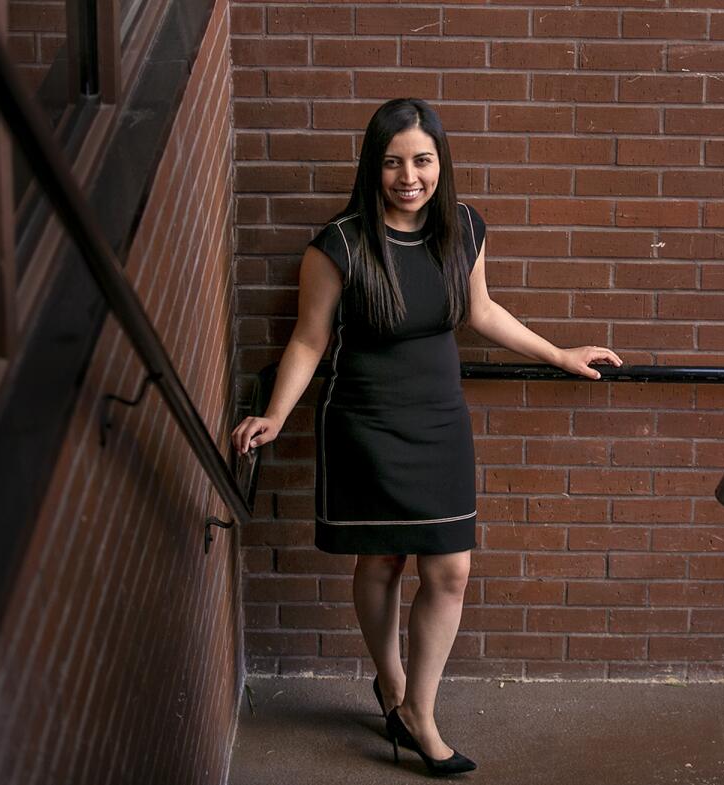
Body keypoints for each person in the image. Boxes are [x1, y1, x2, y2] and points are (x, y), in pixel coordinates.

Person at [231, 98, 622, 776]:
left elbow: (482, 310)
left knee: (451, 569)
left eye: (421, 160)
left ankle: (419, 709)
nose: (408, 176)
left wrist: (558, 354)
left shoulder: (463, 227)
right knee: (381, 561)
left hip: (440, 421)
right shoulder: (340, 245)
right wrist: (278, 415)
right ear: (372, 167)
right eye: (392, 162)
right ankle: (393, 686)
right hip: (366, 424)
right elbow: (308, 338)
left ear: (441, 162)